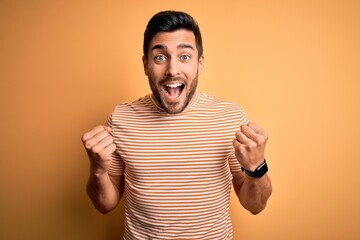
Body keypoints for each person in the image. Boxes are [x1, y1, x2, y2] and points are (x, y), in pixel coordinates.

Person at [81, 10, 272, 239]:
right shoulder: (122, 119)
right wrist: (98, 171)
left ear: (200, 63)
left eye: (184, 56)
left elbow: (255, 205)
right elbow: (105, 204)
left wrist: (256, 167)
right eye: (160, 57)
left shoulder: (230, 118)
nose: (172, 70)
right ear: (145, 64)